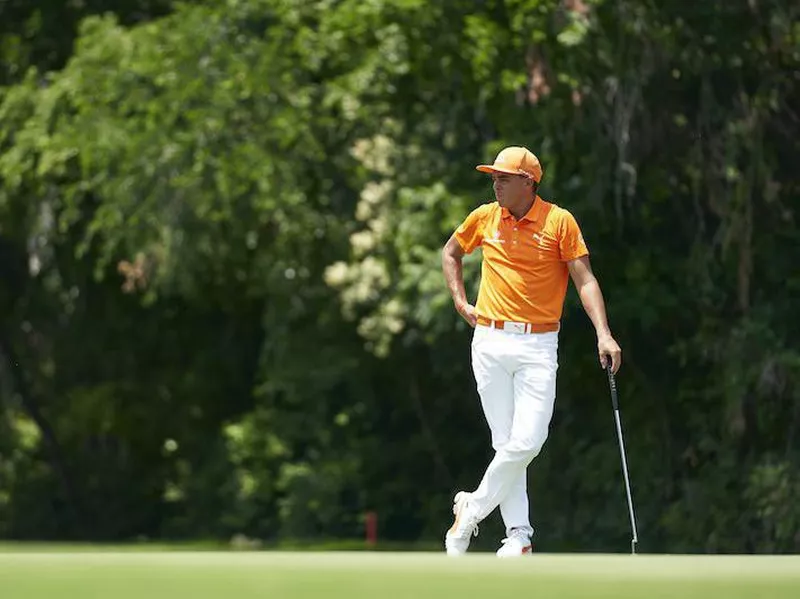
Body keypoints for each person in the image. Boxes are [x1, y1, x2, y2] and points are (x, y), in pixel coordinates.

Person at [440, 146, 622, 557]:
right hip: (489, 340)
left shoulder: (559, 221)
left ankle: (472, 508)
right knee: (506, 442)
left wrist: (604, 334)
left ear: (528, 182)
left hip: (538, 344)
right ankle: (519, 536)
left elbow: (585, 280)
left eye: (503, 178)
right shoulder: (485, 217)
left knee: (529, 440)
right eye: (494, 178)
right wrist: (460, 302)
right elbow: (451, 252)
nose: (496, 185)